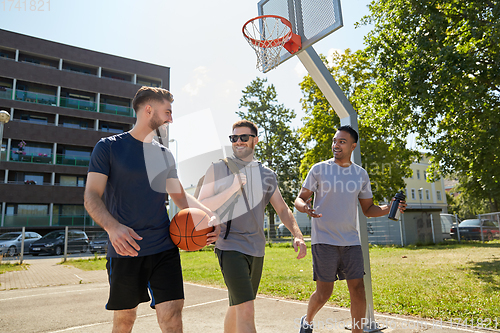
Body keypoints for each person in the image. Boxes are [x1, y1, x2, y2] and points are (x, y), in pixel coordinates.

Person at [84, 86, 219, 333]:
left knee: (172, 317)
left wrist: (211, 216)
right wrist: (112, 227)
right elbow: (91, 196)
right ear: (149, 110)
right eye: (167, 112)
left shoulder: (164, 155)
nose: (171, 118)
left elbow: (180, 196)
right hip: (125, 248)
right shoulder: (109, 148)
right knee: (125, 321)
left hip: (163, 247)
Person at [198, 119, 307, 333]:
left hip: (256, 248)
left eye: (243, 137)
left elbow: (283, 209)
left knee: (238, 305)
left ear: (255, 140)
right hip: (229, 246)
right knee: (247, 309)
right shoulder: (218, 168)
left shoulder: (267, 174)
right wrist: (231, 189)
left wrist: (297, 234)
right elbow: (201, 205)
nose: (238, 142)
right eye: (234, 138)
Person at [294, 125, 407, 333]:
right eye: (335, 141)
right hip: (324, 240)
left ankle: (357, 331)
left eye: (342, 142)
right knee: (324, 292)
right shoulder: (319, 169)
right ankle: (307, 320)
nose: (336, 145)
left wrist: (390, 208)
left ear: (353, 146)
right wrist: (306, 208)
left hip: (351, 241)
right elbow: (300, 199)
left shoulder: (360, 174)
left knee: (358, 289)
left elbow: (368, 209)